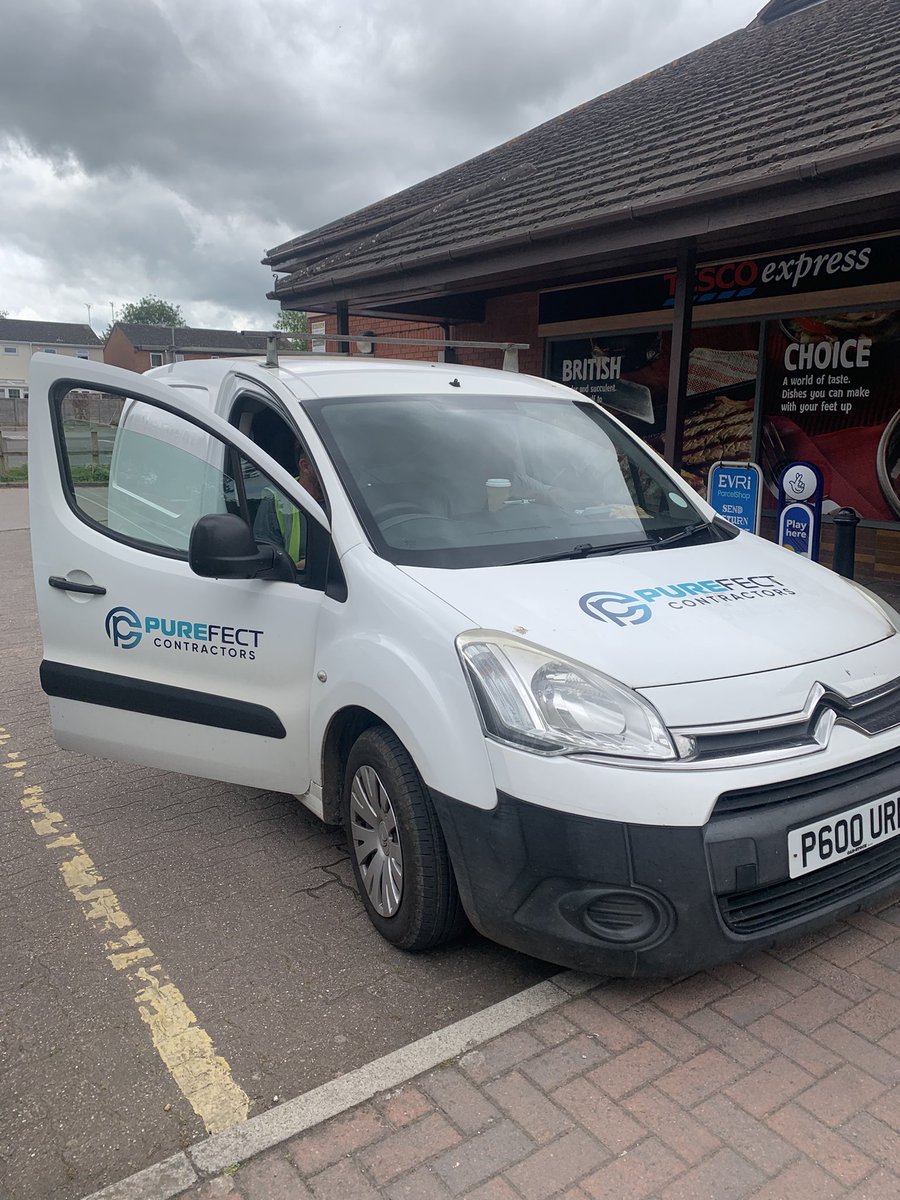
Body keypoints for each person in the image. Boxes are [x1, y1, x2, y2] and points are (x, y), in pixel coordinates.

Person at [253, 448, 324, 571]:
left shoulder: (348, 500)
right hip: (297, 581)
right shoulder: (276, 500)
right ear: (305, 466)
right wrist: (298, 567)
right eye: (330, 469)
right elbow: (265, 565)